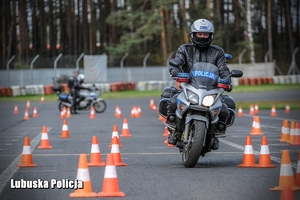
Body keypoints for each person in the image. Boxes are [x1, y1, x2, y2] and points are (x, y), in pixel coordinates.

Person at [165, 18, 233, 150]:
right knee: (172, 100)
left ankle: (214, 135)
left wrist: (227, 80)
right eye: (199, 34)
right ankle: (173, 130)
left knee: (225, 109)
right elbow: (178, 61)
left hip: (210, 89)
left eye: (205, 34)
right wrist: (175, 71)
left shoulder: (218, 52)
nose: (202, 37)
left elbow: (223, 70)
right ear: (193, 34)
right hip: (189, 87)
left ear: (210, 35)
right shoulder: (184, 49)